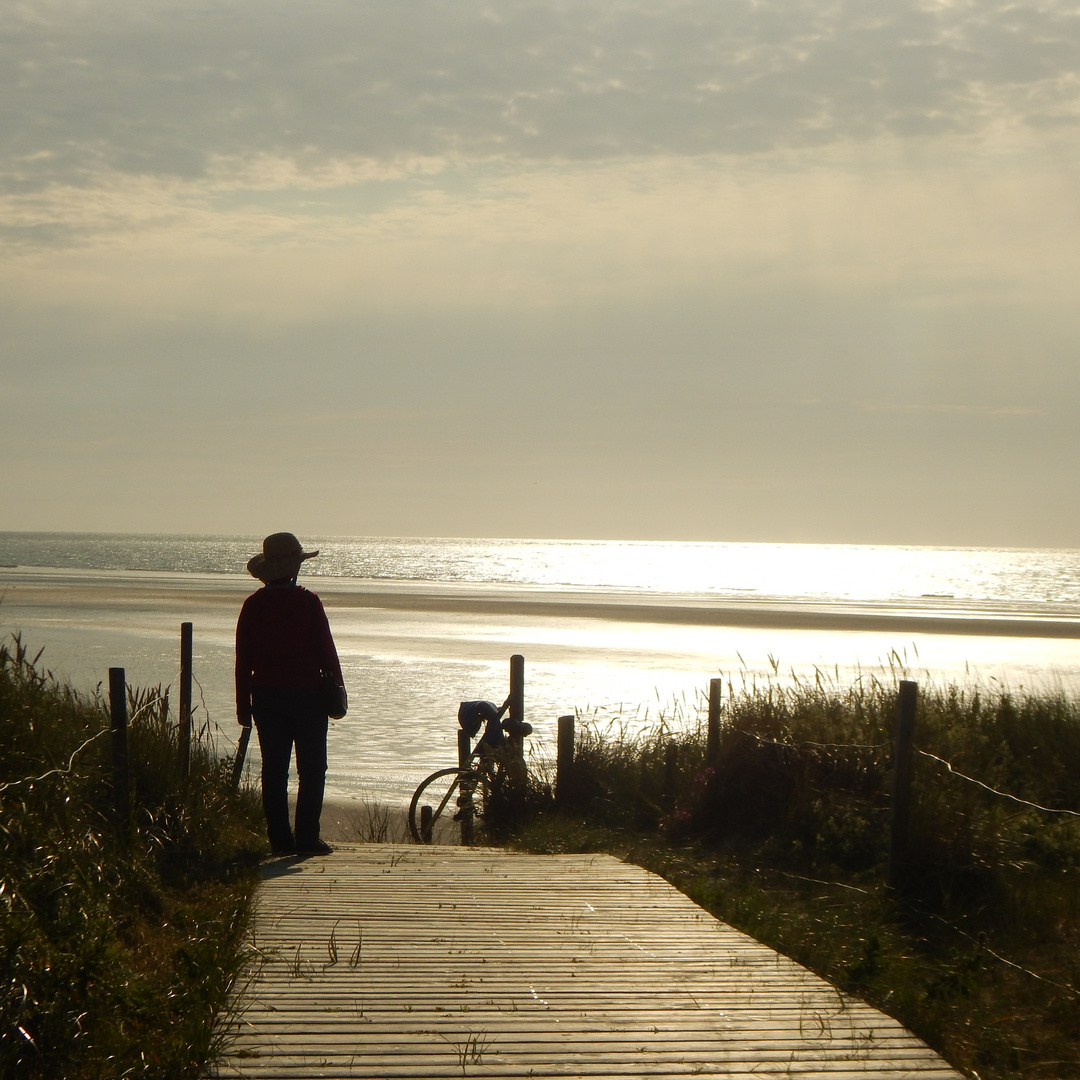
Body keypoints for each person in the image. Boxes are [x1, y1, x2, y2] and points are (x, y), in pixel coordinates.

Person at [235, 532, 344, 856]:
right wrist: (338, 690)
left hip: (266, 697)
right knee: (312, 769)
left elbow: (244, 659)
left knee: (274, 769)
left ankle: (280, 841)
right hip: (307, 696)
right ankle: (307, 839)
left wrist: (243, 706)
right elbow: (327, 651)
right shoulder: (308, 602)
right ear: (293, 567)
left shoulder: (253, 605)